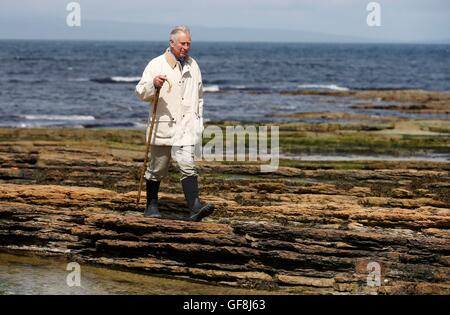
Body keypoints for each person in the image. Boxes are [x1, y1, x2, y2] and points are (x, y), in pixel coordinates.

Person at [135, 25, 214, 221]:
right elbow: (140, 92)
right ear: (172, 43)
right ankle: (151, 206)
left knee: (188, 165)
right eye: (182, 43)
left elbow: (200, 97)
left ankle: (195, 207)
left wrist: (198, 121)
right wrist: (153, 84)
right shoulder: (156, 64)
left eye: (188, 43)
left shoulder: (193, 65)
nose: (186, 47)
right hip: (162, 126)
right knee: (157, 169)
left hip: (186, 127)